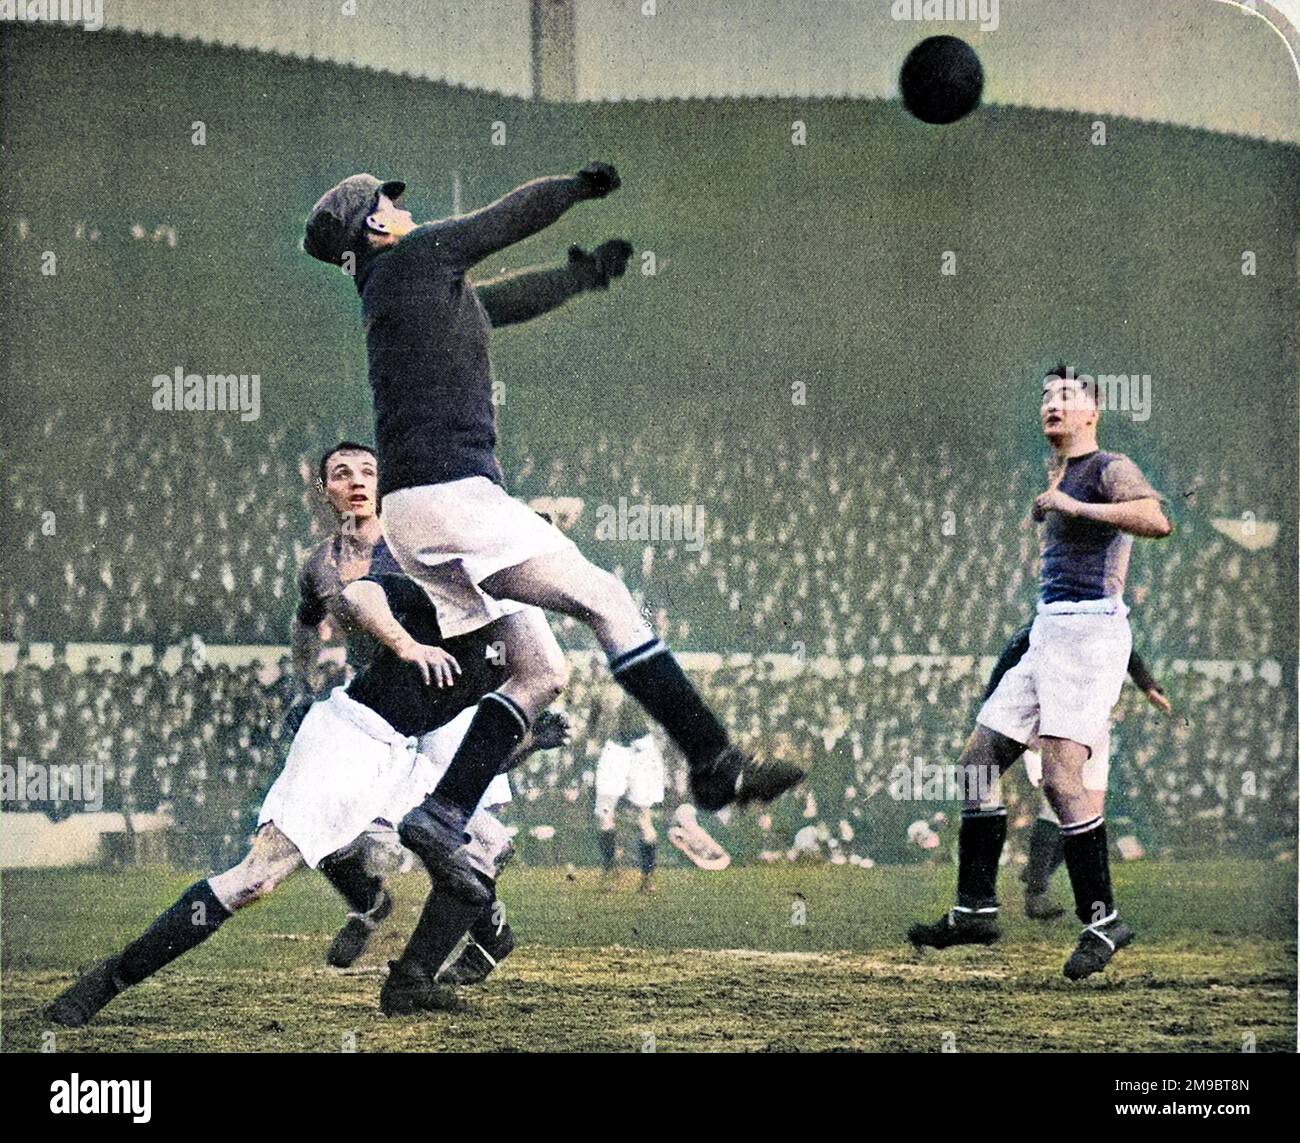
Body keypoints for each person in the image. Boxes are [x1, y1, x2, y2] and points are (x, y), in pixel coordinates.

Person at [301, 166, 803, 956]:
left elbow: (503, 302)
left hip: (417, 515)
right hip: (455, 492)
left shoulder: (407, 292)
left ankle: (442, 811)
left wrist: (578, 276)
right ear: (373, 225)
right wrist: (576, 186)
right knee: (609, 601)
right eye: (390, 203)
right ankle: (712, 761)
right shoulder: (414, 259)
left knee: (539, 671)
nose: (405, 207)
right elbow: (503, 217)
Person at [46, 556, 568, 1027]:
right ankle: (109, 980)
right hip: (352, 735)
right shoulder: (447, 596)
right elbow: (361, 593)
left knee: (479, 856)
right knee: (256, 880)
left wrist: (528, 745)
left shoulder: (520, 651)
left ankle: (410, 982)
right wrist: (406, 644)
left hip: (404, 757)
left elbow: (473, 762)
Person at [908, 364, 1171, 979]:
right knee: (977, 762)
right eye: (1046, 397)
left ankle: (1103, 921)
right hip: (1050, 628)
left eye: (1066, 397)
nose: (1052, 404)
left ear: (1092, 411)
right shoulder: (1060, 472)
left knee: (1058, 775)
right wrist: (1062, 498)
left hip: (1090, 632)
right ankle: (974, 907)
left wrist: (1073, 504)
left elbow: (1156, 521)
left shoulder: (1109, 466)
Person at [978, 621, 1172, 918]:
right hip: (1055, 721)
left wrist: (1148, 686)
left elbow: (1127, 648)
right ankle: (1038, 890)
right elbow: (1015, 648)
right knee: (1056, 801)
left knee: (1089, 813)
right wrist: (991, 700)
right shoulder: (1054, 618)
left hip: (1094, 723)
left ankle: (1037, 872)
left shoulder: (1106, 621)